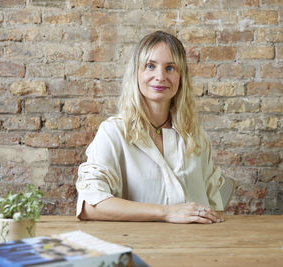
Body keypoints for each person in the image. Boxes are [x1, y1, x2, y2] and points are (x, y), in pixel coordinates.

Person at [75, 31, 224, 224]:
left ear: (182, 77)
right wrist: (166, 213)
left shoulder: (196, 136)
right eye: (150, 66)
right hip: (137, 246)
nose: (160, 76)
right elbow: (90, 205)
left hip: (195, 247)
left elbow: (215, 206)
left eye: (170, 68)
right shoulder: (113, 132)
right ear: (136, 73)